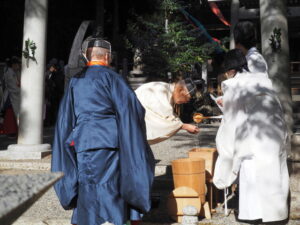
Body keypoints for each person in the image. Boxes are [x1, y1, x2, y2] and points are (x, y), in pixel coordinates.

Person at [51, 36, 155, 225]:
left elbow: (65, 116)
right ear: (107, 57)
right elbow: (133, 109)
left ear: (86, 56)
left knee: (88, 186)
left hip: (83, 140)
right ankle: (110, 220)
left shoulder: (76, 81)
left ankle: (88, 220)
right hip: (108, 139)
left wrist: (68, 140)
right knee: (107, 185)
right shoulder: (113, 78)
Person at [213, 49, 289, 223]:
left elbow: (232, 119)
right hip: (274, 131)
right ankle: (276, 214)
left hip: (254, 135)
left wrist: (225, 147)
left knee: (253, 170)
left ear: (230, 71)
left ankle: (255, 215)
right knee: (274, 171)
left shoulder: (232, 84)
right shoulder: (263, 80)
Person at [135, 78, 200, 145]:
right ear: (180, 90)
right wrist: (184, 126)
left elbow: (170, 115)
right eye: (187, 98)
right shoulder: (161, 90)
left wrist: (182, 126)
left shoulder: (167, 90)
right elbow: (164, 118)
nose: (186, 101)